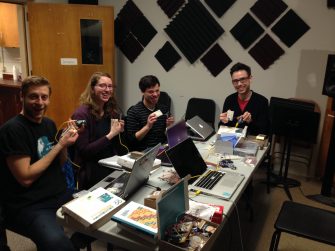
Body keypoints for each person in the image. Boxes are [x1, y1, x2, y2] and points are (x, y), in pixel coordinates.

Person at [0, 76, 78, 251]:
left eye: (44, 97)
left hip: (58, 194)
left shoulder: (49, 124)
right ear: (22, 97)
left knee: (101, 217)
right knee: (58, 244)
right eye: (33, 97)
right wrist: (60, 145)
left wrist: (65, 145)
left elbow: (60, 163)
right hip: (30, 205)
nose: (40, 102)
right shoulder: (13, 130)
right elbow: (25, 178)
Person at [71, 72, 126, 190]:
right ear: (92, 88)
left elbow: (115, 145)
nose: (107, 90)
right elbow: (85, 151)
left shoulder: (110, 111)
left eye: (110, 86)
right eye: (102, 86)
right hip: (90, 169)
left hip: (109, 163)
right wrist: (111, 135)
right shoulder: (81, 114)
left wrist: (120, 132)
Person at [219, 62, 269, 135]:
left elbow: (264, 131)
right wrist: (224, 122)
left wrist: (250, 121)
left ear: (250, 79)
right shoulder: (229, 100)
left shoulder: (262, 101)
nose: (239, 84)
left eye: (243, 79)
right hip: (231, 142)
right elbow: (222, 129)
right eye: (235, 81)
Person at [126, 75, 174, 151]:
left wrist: (168, 127)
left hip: (162, 149)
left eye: (157, 91)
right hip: (144, 153)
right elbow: (132, 141)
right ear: (143, 92)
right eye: (151, 92)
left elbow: (165, 135)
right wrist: (148, 126)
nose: (155, 94)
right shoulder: (134, 111)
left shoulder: (163, 109)